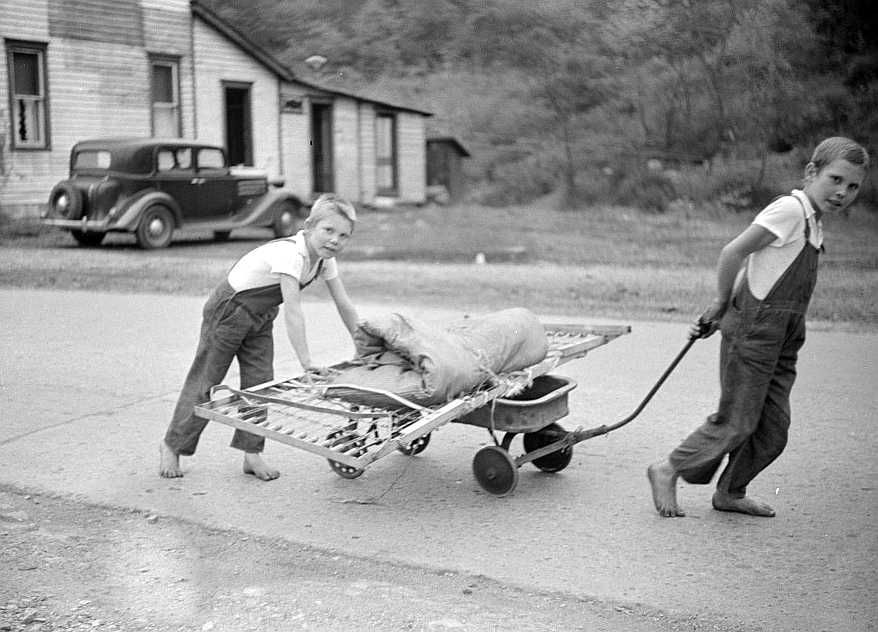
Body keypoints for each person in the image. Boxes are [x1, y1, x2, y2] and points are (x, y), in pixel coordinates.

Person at [648, 137, 869, 517]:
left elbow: (760, 269)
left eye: (852, 187)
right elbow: (734, 252)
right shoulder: (790, 210)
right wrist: (720, 305)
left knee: (773, 428)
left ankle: (730, 492)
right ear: (811, 172)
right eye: (835, 179)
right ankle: (668, 468)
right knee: (737, 420)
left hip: (784, 336)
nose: (842, 192)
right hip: (755, 332)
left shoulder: (814, 223)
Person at [159, 193, 360, 481]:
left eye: (344, 235)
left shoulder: (324, 261)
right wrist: (306, 362)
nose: (335, 240)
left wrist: (362, 344)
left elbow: (344, 304)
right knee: (206, 382)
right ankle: (172, 445)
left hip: (261, 316)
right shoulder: (293, 254)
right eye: (328, 230)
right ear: (308, 226)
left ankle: (251, 454)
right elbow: (293, 310)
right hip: (229, 310)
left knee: (260, 385)